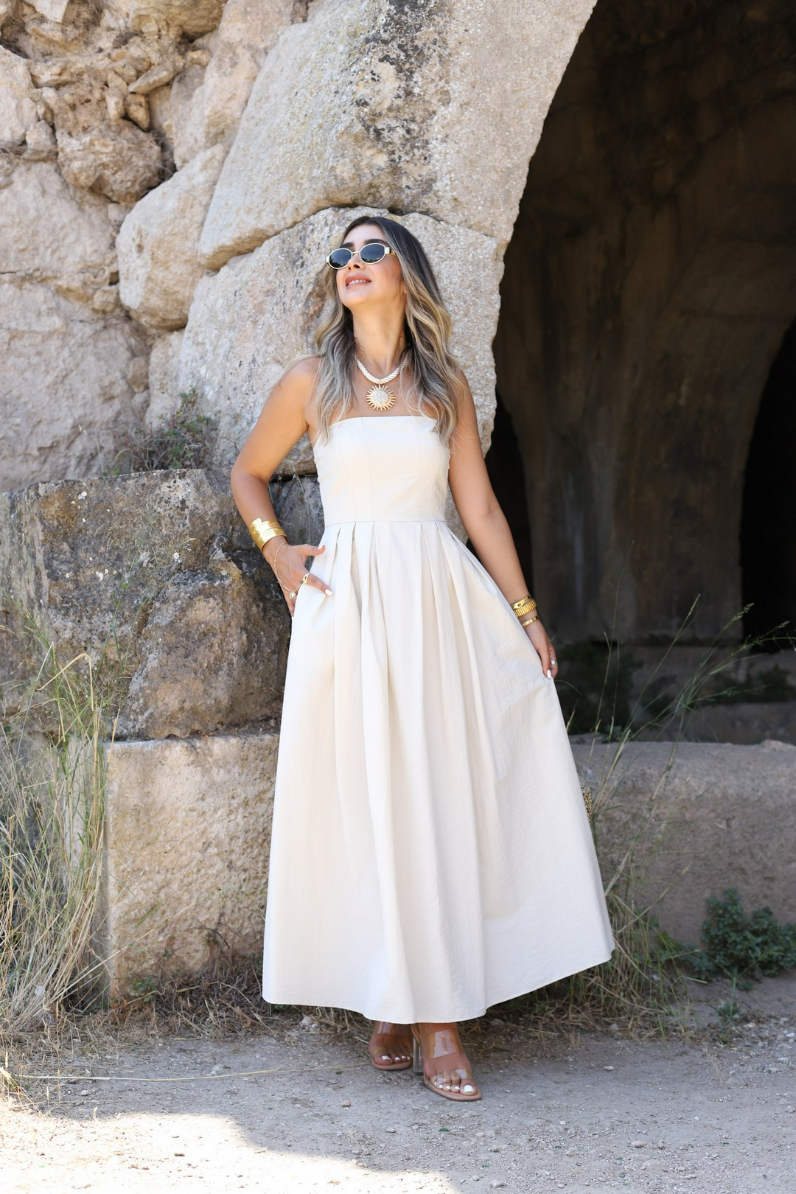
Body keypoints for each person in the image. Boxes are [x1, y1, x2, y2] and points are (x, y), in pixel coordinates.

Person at [230, 215, 615, 1103]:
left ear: (407, 274)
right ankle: (391, 995)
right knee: (368, 804)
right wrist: (276, 550)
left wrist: (525, 613)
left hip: (439, 603)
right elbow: (249, 473)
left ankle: (437, 1018)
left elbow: (478, 511)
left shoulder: (445, 386)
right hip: (350, 607)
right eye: (343, 254)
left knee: (437, 798)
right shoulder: (311, 381)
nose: (353, 264)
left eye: (373, 251)